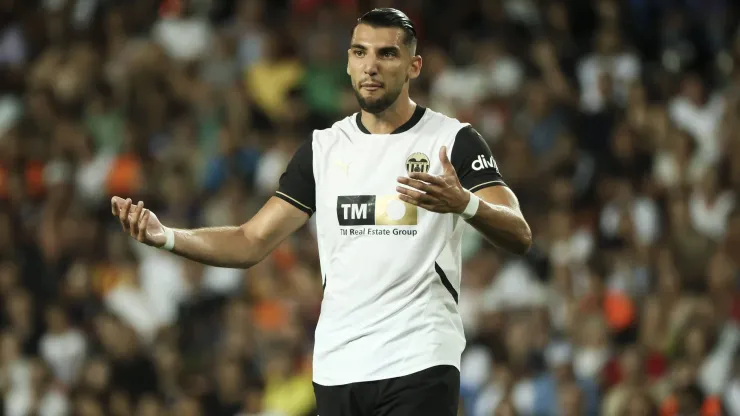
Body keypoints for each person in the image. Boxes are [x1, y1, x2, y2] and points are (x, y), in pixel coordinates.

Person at [111, 8, 532, 416]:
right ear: (348, 63)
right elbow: (250, 241)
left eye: (387, 54)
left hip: (419, 359)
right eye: (359, 52)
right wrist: (165, 235)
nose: (371, 66)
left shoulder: (453, 141)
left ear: (414, 66)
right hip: (338, 368)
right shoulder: (322, 150)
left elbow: (519, 233)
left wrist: (466, 204)